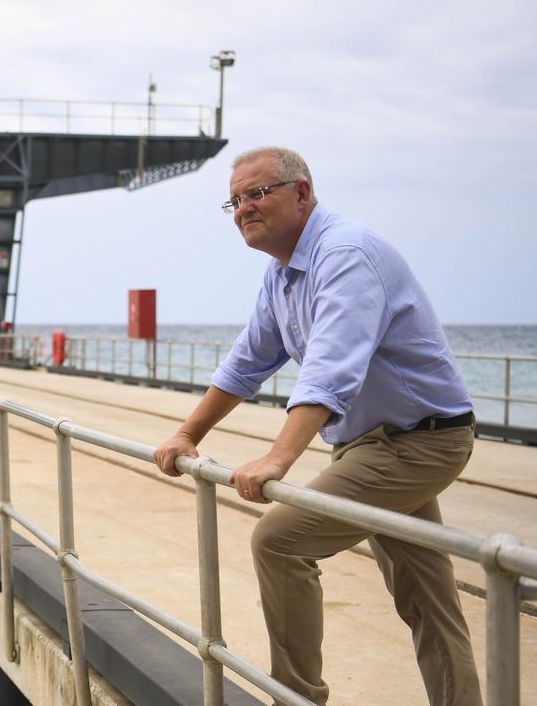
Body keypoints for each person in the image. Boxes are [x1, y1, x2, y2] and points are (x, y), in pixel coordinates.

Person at [154, 147, 481, 705]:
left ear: (301, 193)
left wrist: (279, 457)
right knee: (426, 597)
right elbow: (247, 361)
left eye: (257, 194)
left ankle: (297, 698)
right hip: (370, 444)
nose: (244, 209)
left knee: (280, 542)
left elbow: (331, 366)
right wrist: (188, 434)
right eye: (235, 200)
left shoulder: (345, 254)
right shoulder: (282, 273)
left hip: (420, 441)